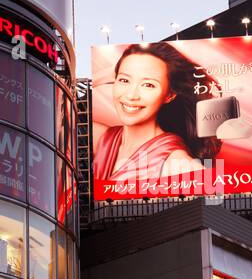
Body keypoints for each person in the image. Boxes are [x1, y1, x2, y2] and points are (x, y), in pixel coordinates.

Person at [92, 43, 222, 191]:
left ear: (169, 95)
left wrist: (125, 74)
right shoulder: (104, 139)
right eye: (124, 81)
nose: (131, 95)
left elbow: (210, 203)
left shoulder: (177, 162)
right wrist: (112, 73)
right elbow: (61, 115)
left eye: (148, 85)